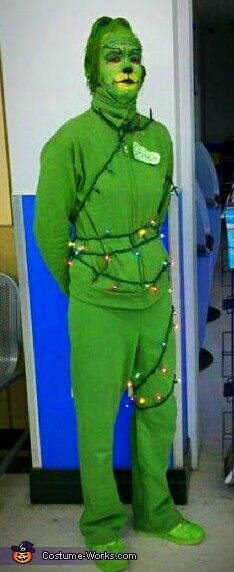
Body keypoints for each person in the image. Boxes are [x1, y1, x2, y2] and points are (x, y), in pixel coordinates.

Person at [33, 16, 205, 572]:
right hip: (98, 306)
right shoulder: (69, 141)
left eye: (132, 55)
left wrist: (142, 275)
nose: (126, 64)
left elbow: (156, 216)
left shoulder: (159, 138)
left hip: (154, 299)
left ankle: (156, 513)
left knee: (159, 409)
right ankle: (102, 525)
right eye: (113, 56)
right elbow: (50, 231)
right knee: (98, 418)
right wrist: (84, 288)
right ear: (93, 68)